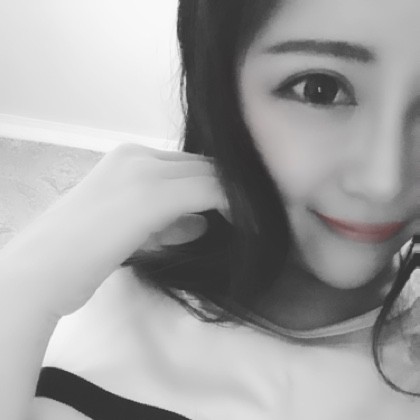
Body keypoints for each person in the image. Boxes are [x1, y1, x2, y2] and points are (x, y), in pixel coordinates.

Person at [1, 0, 419, 418]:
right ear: (219, 94)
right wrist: (21, 287)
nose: (384, 184)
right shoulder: (70, 304)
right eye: (319, 89)